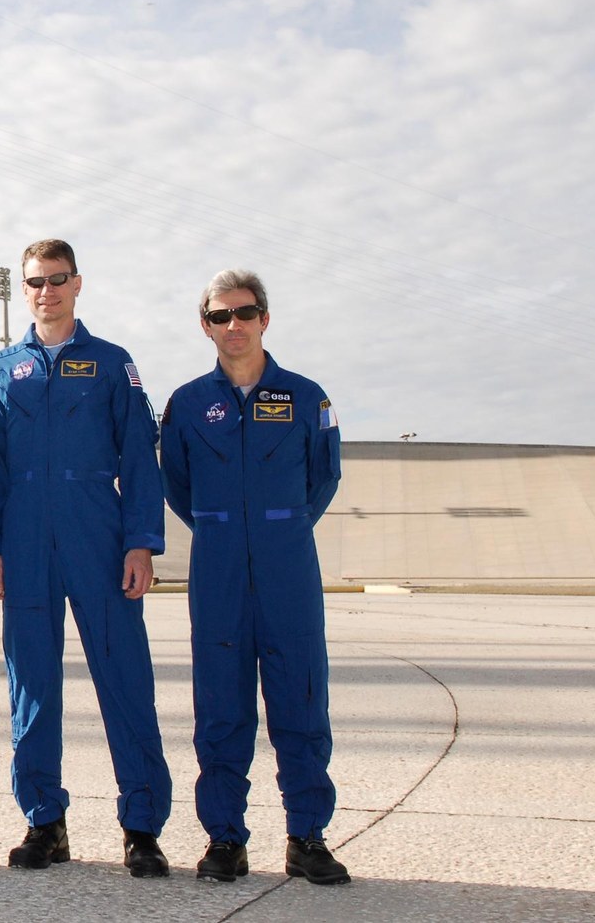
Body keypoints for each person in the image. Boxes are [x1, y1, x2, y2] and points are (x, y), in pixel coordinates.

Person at [0, 238, 173, 876]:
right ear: (24, 288)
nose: (46, 291)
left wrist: (140, 540)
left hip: (97, 531)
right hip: (25, 537)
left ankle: (141, 826)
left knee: (125, 678)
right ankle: (44, 822)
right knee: (31, 684)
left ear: (77, 284)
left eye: (57, 279)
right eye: (35, 281)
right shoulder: (2, 369)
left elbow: (139, 456)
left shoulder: (112, 363)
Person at [159, 270, 349, 885]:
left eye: (244, 313)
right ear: (206, 326)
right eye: (220, 316)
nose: (233, 325)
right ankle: (224, 839)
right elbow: (177, 484)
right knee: (221, 705)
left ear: (265, 319)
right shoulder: (188, 404)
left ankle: (307, 837)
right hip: (217, 569)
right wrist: (223, 529)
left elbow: (324, 477)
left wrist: (279, 529)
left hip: (287, 567)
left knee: (301, 697)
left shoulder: (305, 397)